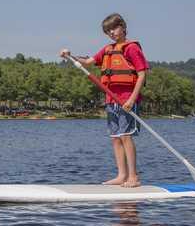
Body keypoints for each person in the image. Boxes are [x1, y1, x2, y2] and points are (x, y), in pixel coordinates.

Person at [60, 13, 149, 188]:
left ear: (123, 27)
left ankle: (133, 177)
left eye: (114, 28)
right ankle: (121, 175)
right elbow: (88, 61)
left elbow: (142, 74)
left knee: (125, 136)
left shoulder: (131, 48)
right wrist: (70, 56)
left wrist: (132, 99)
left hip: (127, 100)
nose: (112, 33)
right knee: (115, 137)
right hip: (111, 100)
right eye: (108, 31)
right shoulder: (108, 49)